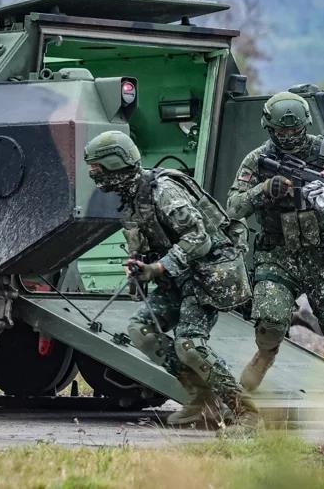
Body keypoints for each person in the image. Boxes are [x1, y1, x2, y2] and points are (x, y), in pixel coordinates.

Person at [226, 91, 324, 435]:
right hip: (277, 256)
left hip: (322, 257)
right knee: (268, 329)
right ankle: (244, 409)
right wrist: (265, 190)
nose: (287, 139)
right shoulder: (258, 160)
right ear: (269, 129)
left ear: (305, 126)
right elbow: (234, 206)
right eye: (281, 134)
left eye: (294, 132)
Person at [84, 130, 260, 435]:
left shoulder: (164, 191)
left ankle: (247, 413)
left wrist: (159, 267)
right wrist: (139, 270)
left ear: (115, 165)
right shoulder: (131, 198)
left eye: (97, 168)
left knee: (189, 345)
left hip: (208, 274)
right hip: (177, 278)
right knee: (141, 331)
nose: (94, 175)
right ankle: (201, 399)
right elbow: (144, 244)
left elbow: (199, 239)